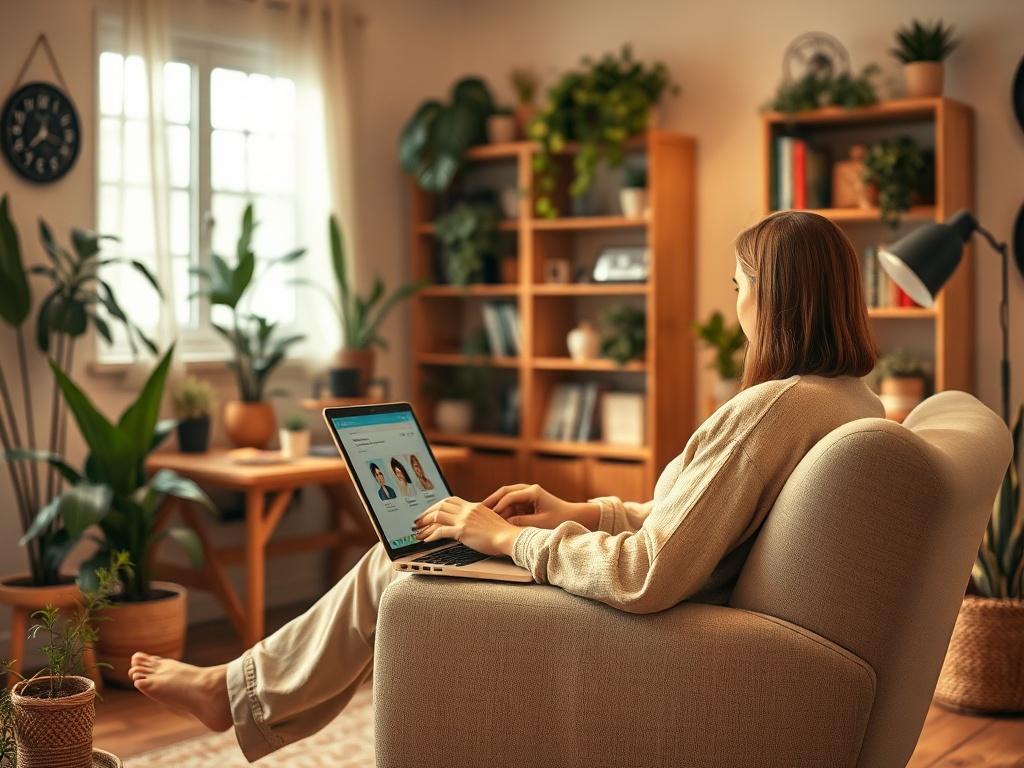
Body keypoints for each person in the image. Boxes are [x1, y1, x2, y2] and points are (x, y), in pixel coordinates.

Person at [127, 211, 884, 762]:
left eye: (742, 286)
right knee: (420, 544)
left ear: (778, 298)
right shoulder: (847, 397)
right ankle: (234, 692)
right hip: (687, 607)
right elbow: (695, 525)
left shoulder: (771, 408)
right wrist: (580, 510)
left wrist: (510, 540)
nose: (737, 304)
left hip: (654, 622)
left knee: (401, 560)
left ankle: (231, 692)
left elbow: (650, 571)